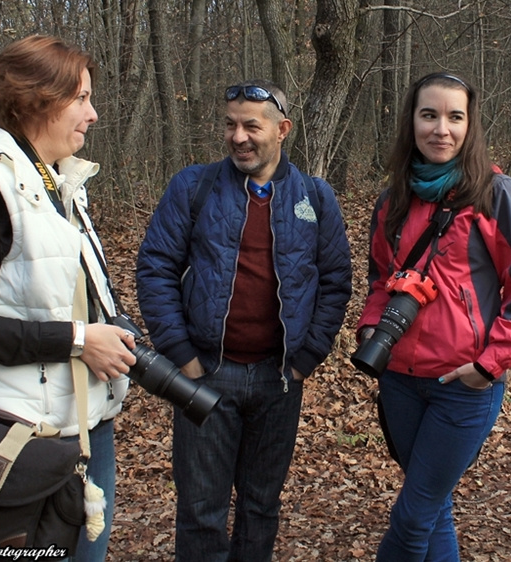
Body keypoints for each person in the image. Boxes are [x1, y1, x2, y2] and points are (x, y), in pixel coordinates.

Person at [0, 35, 137, 561]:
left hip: (80, 423)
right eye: (81, 99)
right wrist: (81, 340)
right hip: (22, 438)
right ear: (39, 100)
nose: (94, 113)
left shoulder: (54, 180)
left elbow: (53, 294)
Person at [135, 79, 353, 562]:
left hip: (279, 380)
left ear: (282, 130)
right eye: (230, 125)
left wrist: (307, 358)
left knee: (260, 505)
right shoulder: (194, 187)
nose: (238, 137)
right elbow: (155, 269)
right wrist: (183, 358)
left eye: (251, 126)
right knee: (200, 509)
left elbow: (336, 281)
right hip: (207, 376)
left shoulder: (314, 198)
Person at [356, 72, 511, 561]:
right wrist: (372, 329)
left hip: (462, 386)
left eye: (454, 117)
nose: (441, 129)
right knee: (432, 506)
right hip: (398, 381)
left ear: (470, 125)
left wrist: (488, 366)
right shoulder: (393, 198)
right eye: (429, 115)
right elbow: (382, 280)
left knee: (414, 513)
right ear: (412, 122)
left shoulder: (496, 194)